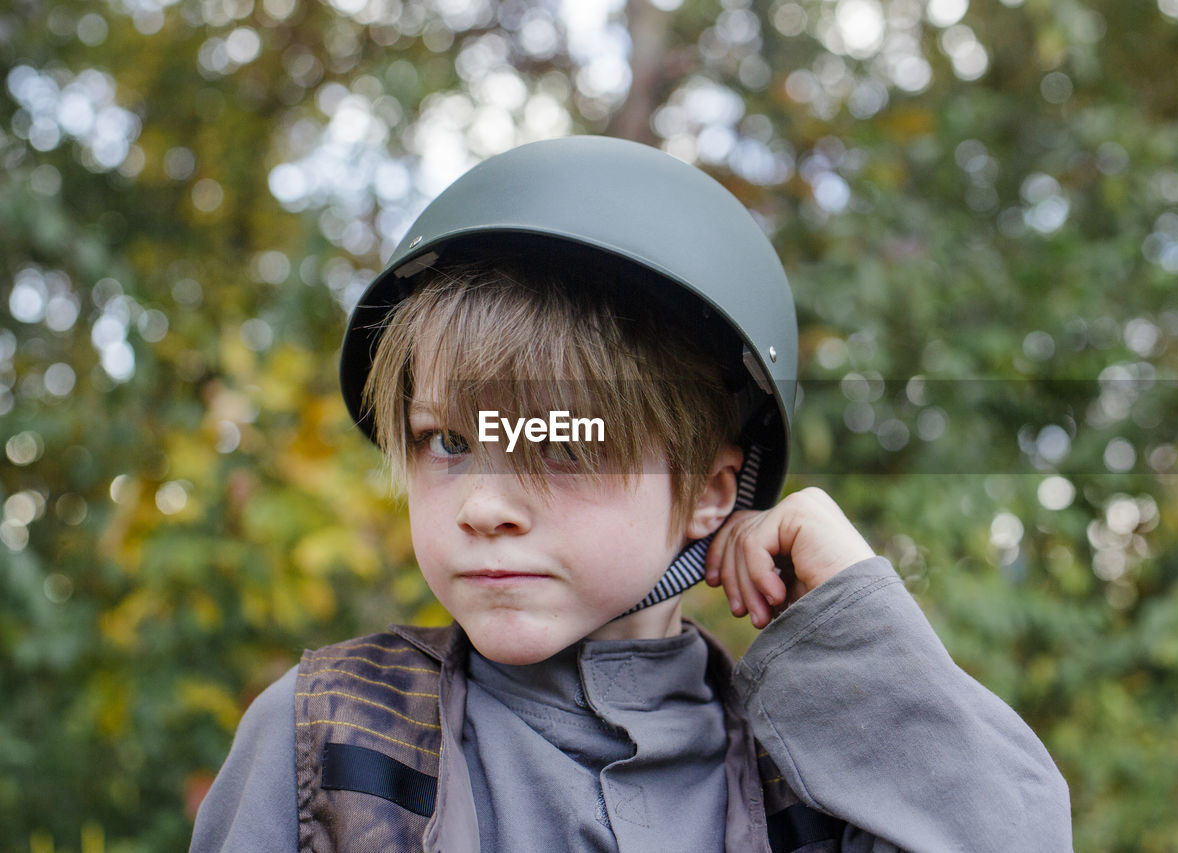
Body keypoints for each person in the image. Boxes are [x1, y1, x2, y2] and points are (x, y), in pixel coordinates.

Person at [191, 136, 1072, 852]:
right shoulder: (334, 739)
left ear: (709, 491)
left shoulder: (811, 776)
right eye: (447, 441)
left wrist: (855, 623)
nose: (483, 505)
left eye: (564, 443)